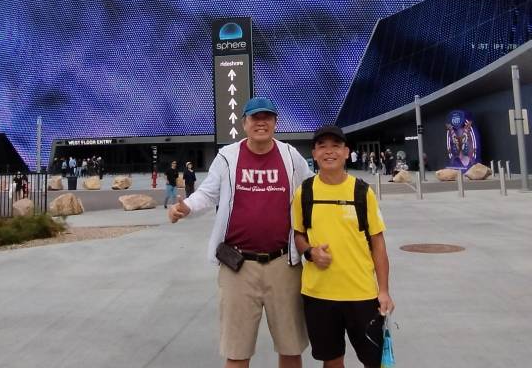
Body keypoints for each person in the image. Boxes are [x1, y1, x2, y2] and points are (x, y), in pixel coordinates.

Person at [168, 97, 312, 368]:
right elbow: (208, 193)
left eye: (267, 117)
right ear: (244, 123)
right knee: (237, 351)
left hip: (284, 264)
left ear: (275, 123)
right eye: (255, 118)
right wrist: (186, 207)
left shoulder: (290, 156)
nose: (261, 123)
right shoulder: (228, 157)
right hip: (238, 266)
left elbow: (310, 193)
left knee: (291, 348)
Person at [292, 125, 394, 368]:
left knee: (374, 361)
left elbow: (378, 244)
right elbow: (298, 234)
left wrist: (383, 291)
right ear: (314, 154)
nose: (329, 151)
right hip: (319, 294)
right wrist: (310, 252)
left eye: (336, 146)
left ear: (346, 152)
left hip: (361, 293)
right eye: (322, 146)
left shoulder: (362, 191)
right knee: (332, 360)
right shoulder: (304, 192)